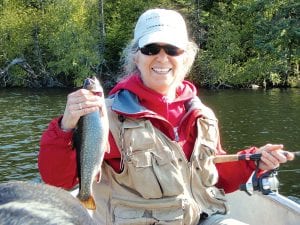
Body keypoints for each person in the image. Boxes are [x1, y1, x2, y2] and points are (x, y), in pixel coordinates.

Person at [38, 8, 294, 225]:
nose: (162, 57)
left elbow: (215, 175)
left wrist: (254, 160)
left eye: (172, 49)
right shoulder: (107, 113)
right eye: (151, 48)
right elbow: (58, 180)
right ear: (135, 57)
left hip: (198, 217)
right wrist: (65, 126)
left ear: (186, 57)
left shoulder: (202, 114)